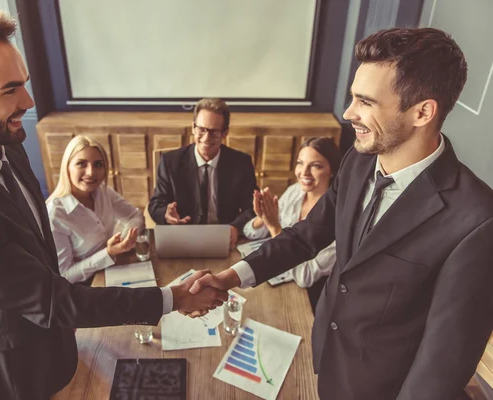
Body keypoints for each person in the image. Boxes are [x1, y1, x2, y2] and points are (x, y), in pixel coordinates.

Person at [0, 8, 226, 400]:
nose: (29, 100)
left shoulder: (5, 142)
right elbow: (53, 298)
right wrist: (173, 297)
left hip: (59, 345)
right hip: (12, 375)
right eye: (10, 89)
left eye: (24, 83)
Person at [189, 27, 493, 400]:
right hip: (327, 358)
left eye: (365, 102)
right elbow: (307, 234)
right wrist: (230, 278)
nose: (348, 113)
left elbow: (442, 363)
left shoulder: (478, 220)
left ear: (422, 112)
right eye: (352, 98)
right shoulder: (357, 161)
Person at [148, 98, 257, 248]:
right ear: (193, 127)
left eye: (214, 132)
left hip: (224, 238)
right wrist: (166, 215)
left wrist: (236, 227)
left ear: (225, 133)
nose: (206, 138)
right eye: (201, 129)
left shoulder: (241, 163)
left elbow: (252, 206)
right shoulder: (170, 162)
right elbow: (155, 205)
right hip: (183, 238)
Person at [243, 137, 340, 294]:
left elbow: (305, 277)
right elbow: (250, 232)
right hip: (280, 280)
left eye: (315, 166)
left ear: (332, 172)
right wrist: (263, 217)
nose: (304, 172)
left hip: (311, 294)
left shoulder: (339, 216)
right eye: (300, 163)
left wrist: (274, 228)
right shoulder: (295, 191)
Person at [47, 135, 144, 284]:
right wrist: (108, 253)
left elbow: (135, 215)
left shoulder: (103, 191)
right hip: (84, 286)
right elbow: (65, 275)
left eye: (98, 164)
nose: (91, 172)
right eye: (81, 164)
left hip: (112, 269)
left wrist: (126, 238)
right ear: (67, 167)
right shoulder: (55, 214)